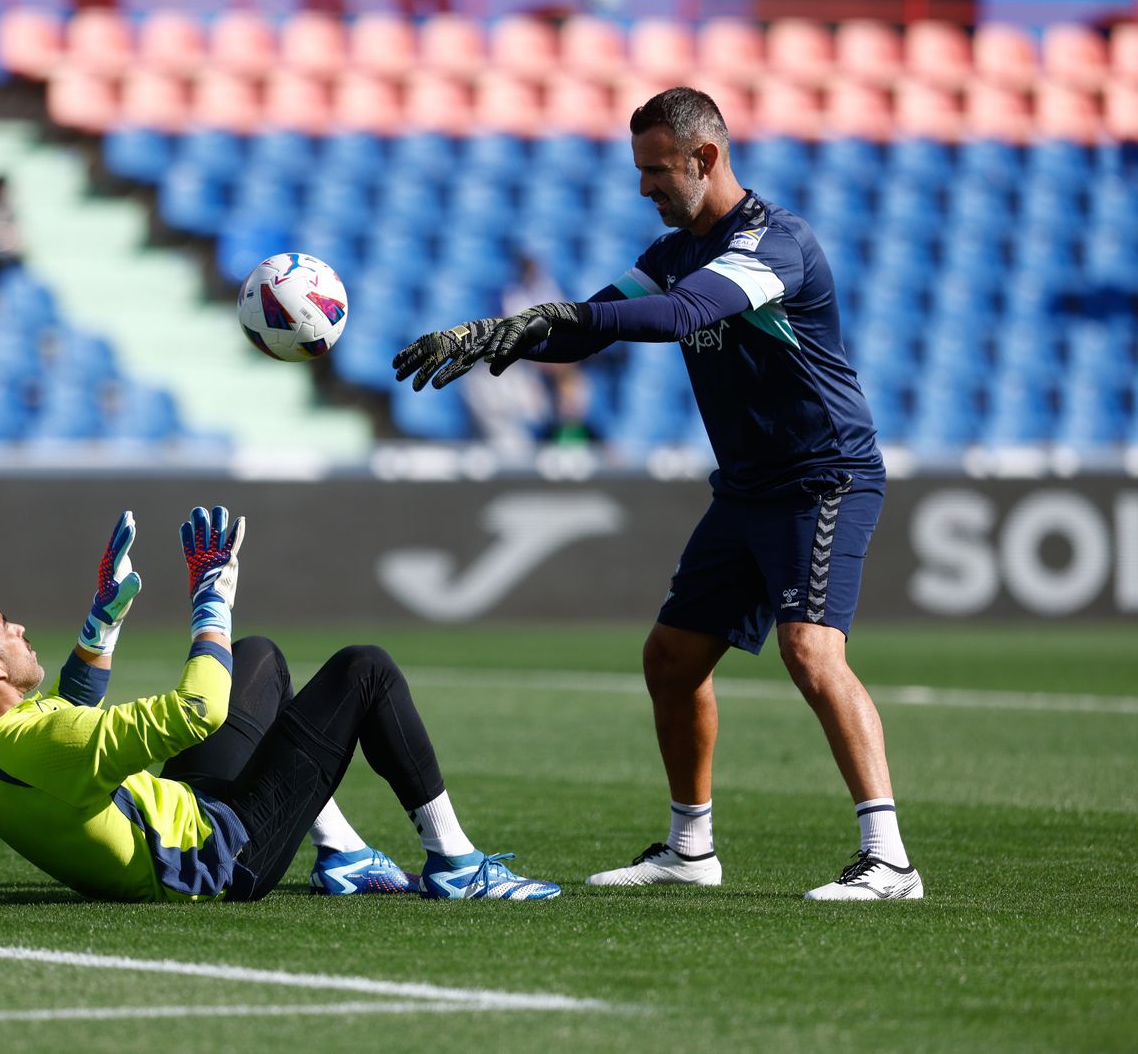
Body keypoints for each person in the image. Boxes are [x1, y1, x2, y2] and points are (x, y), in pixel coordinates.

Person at [393, 87, 921, 902]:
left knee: (812, 652)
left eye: (657, 170)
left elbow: (678, 315)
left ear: (705, 158)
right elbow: (594, 324)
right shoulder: (672, 249)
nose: (644, 186)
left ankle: (889, 860)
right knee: (671, 659)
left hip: (823, 477)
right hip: (747, 487)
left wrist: (549, 315)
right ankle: (689, 848)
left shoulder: (775, 243)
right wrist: (501, 334)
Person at [0, 506, 560, 903]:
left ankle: (343, 853)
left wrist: (101, 624)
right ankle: (455, 864)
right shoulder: (46, 746)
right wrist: (211, 597)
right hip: (222, 860)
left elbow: (63, 717)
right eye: (5, 626)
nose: (20, 627)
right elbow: (198, 710)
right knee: (365, 670)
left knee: (257, 657)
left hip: (183, 820)